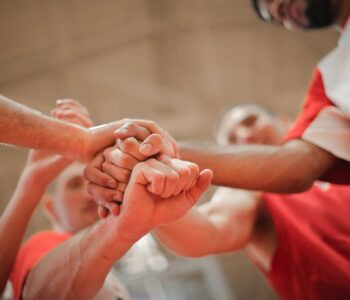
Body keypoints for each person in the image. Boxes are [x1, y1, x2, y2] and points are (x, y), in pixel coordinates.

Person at [84, 0, 350, 209]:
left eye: (249, 121)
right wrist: (158, 153)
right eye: (276, 16)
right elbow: (294, 167)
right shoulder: (330, 79)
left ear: (285, 122)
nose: (278, 9)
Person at [101, 104, 350, 299]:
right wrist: (156, 197)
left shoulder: (341, 155)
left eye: (250, 121)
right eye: (231, 141)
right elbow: (207, 228)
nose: (244, 136)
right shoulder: (253, 196)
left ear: (287, 123)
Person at [4, 101, 212, 299]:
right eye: (74, 184)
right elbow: (41, 295)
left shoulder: (105, 270)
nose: (89, 194)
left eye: (97, 182)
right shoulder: (45, 243)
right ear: (51, 207)